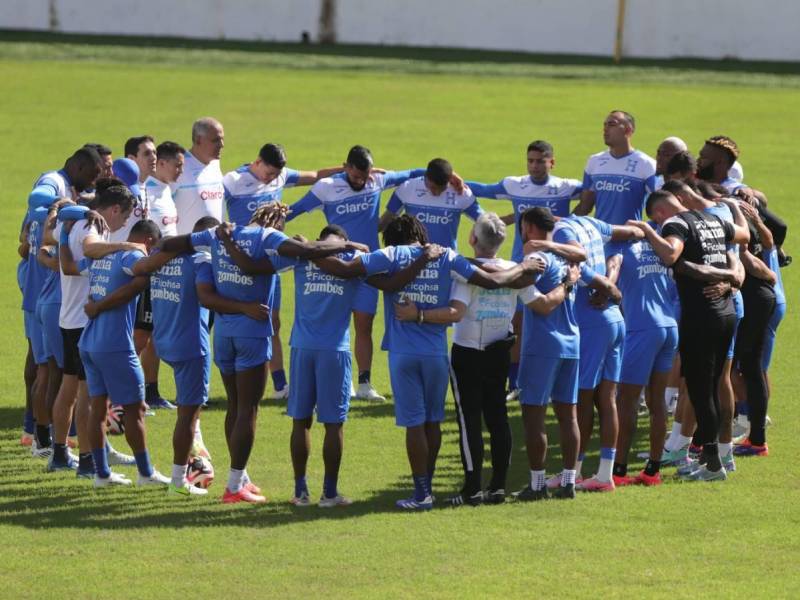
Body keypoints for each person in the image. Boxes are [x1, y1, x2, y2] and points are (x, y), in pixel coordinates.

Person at [222, 222, 445, 507]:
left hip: (302, 348)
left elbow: (254, 265)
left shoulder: (301, 259)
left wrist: (232, 243)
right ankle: (329, 493)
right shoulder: (352, 262)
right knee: (333, 425)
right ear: (341, 244)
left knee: (300, 421)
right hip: (335, 352)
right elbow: (390, 282)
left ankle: (300, 492)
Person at [162, 203, 370, 503]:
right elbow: (305, 253)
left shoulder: (219, 233)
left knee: (234, 405)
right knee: (248, 410)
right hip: (252, 333)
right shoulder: (270, 239)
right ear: (277, 220)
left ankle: (241, 475)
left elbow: (170, 243)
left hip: (223, 334)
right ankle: (234, 486)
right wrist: (347, 244)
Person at [356, 214, 545, 510]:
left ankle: (439, 491)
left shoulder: (419, 264)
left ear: (473, 238)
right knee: (473, 419)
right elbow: (513, 290)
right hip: (463, 352)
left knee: (441, 422)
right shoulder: (466, 262)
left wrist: (416, 312)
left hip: (435, 352)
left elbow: (453, 311)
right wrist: (539, 272)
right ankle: (493, 486)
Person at [446, 213, 579, 506]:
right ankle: (497, 487)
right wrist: (568, 285)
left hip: (467, 352)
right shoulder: (517, 270)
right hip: (499, 351)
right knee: (497, 419)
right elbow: (543, 305)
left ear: (472, 238)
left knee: (470, 421)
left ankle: (472, 489)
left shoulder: (462, 269)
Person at [286, 145, 431, 402]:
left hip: (367, 267)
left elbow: (414, 173)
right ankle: (340, 381)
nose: (361, 181)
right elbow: (294, 210)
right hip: (337, 270)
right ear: (346, 167)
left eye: (365, 176)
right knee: (336, 324)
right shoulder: (326, 188)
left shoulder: (377, 180)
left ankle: (364, 383)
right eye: (356, 177)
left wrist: (451, 176)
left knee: (364, 324)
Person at [627, 190, 749, 481]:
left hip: (701, 316)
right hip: (727, 312)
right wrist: (734, 207)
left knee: (699, 389)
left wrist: (647, 232)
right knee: (715, 384)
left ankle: (712, 465)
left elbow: (670, 254)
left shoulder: (674, 225)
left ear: (658, 214)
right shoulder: (710, 219)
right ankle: (717, 456)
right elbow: (743, 235)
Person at [224, 142, 344, 400]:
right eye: (268, 174)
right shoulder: (233, 181)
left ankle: (280, 386)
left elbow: (316, 175)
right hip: (239, 264)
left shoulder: (282, 176)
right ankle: (236, 378)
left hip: (271, 262)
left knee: (272, 322)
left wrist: (347, 170)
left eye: (276, 175)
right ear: (257, 162)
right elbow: (205, 198)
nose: (271, 179)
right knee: (238, 321)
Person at [465, 140, 582, 396]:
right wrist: (455, 181)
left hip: (552, 266)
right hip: (521, 265)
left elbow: (592, 193)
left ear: (552, 162)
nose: (534, 165)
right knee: (516, 323)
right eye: (530, 160)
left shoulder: (565, 187)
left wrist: (574, 218)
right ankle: (515, 382)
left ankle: (549, 380)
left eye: (540, 160)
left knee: (552, 317)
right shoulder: (515, 185)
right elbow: (481, 189)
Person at [63, 218, 174, 487]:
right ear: (147, 241)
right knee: (135, 411)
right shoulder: (132, 254)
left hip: (89, 342)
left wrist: (63, 236)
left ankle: (101, 474)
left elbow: (67, 267)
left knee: (96, 408)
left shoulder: (101, 255)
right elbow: (139, 271)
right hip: (116, 346)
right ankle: (146, 473)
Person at [48, 186, 142, 476]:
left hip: (68, 318)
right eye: (125, 218)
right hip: (83, 322)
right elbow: (89, 249)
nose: (124, 225)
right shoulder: (92, 225)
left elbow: (64, 258)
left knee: (69, 390)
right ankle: (89, 460)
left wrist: (64, 230)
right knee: (89, 395)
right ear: (114, 210)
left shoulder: (74, 221)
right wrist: (125, 247)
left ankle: (61, 453)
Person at [551, 215, 640, 491]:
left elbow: (576, 260)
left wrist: (603, 285)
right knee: (608, 399)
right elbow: (631, 232)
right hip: (614, 320)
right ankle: (604, 474)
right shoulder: (592, 222)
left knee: (582, 399)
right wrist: (609, 280)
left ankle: (574, 472)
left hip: (591, 323)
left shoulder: (562, 230)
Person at [135, 215, 221, 496]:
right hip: (191, 346)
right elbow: (209, 297)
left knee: (190, 414)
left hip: (164, 341)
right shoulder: (202, 262)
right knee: (188, 415)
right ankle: (179, 479)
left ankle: (195, 458)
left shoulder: (165, 255)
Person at [512, 207, 582, 500]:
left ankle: (538, 485)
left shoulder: (535, 260)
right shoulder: (568, 258)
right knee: (568, 416)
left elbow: (539, 305)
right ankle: (568, 482)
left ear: (528, 227)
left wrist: (563, 286)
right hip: (572, 343)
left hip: (542, 346)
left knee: (534, 416)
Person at [606, 227, 680, 485]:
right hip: (670, 327)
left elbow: (609, 279)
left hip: (642, 329)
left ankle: (618, 470)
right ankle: (652, 470)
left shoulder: (618, 249)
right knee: (656, 400)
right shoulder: (657, 250)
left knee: (626, 401)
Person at [732, 204, 777, 457]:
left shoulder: (736, 230)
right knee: (751, 367)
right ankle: (756, 437)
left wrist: (766, 273)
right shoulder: (750, 223)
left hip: (754, 299)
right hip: (761, 298)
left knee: (743, 367)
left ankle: (755, 438)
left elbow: (748, 258)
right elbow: (769, 241)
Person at [379, 158, 483, 250]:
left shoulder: (461, 193)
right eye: (433, 188)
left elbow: (486, 222)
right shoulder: (407, 188)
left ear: (449, 180)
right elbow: (384, 222)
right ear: (426, 177)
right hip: (413, 263)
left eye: (442, 189)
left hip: (447, 263)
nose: (436, 193)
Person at [574, 110, 657, 224]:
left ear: (628, 130)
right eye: (605, 125)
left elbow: (661, 206)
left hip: (630, 239)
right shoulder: (594, 161)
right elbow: (585, 206)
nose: (605, 129)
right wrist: (565, 223)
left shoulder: (647, 164)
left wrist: (647, 231)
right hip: (601, 239)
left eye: (612, 124)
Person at [173, 117, 225, 234]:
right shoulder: (178, 166)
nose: (222, 145)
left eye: (222, 139)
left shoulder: (215, 163)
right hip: (186, 247)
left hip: (215, 245)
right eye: (215, 140)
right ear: (198, 140)